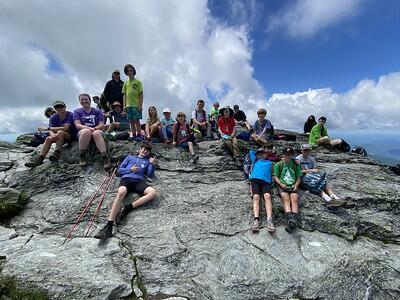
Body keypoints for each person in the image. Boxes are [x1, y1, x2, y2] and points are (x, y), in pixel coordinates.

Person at [94, 142, 157, 240]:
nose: (145, 151)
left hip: (138, 181)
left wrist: (152, 164)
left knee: (152, 192)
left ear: (149, 153)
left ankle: (128, 208)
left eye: (147, 150)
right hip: (126, 179)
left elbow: (149, 174)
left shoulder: (147, 161)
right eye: (143, 149)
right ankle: (109, 226)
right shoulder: (129, 158)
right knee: (121, 191)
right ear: (140, 149)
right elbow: (119, 171)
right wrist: (130, 170)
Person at [25, 100, 76, 167]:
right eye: (57, 107)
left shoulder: (71, 115)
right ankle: (40, 159)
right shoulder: (53, 117)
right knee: (49, 138)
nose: (59, 108)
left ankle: (56, 154)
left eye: (61, 106)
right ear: (55, 108)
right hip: (59, 137)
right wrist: (53, 135)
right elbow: (51, 129)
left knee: (60, 132)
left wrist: (47, 129)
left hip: (70, 136)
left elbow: (65, 128)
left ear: (65, 107)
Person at [73, 93, 111, 170]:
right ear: (80, 101)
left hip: (96, 131)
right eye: (82, 99)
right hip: (84, 132)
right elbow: (77, 124)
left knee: (96, 133)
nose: (84, 101)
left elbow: (101, 124)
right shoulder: (77, 111)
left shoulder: (97, 111)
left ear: (90, 101)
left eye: (86, 99)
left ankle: (105, 157)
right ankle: (82, 156)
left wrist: (95, 128)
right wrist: (87, 128)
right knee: (86, 131)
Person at [273, 147, 302, 233]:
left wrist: (296, 185)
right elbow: (276, 177)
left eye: (289, 155)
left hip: (292, 186)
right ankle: (290, 219)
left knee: (294, 198)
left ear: (292, 155)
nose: (287, 156)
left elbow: (298, 178)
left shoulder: (296, 165)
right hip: (283, 186)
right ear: (283, 155)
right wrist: (281, 184)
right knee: (285, 198)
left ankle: (293, 221)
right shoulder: (279, 164)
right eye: (286, 155)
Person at [248, 148, 275, 233]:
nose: (260, 155)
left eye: (262, 154)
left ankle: (269, 220)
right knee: (256, 197)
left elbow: (283, 158)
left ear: (266, 154)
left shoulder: (270, 162)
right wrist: (261, 147)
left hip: (266, 181)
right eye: (259, 154)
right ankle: (256, 220)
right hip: (255, 180)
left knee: (267, 196)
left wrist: (294, 159)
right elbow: (251, 151)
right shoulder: (255, 161)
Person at [122, 64, 143, 140]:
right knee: (131, 121)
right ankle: (133, 135)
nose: (129, 72)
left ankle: (139, 135)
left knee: (137, 120)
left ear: (133, 71)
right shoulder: (125, 83)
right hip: (128, 105)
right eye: (128, 71)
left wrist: (140, 105)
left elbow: (141, 94)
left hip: (136, 105)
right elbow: (124, 95)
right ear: (126, 73)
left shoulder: (138, 82)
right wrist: (124, 105)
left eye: (131, 70)